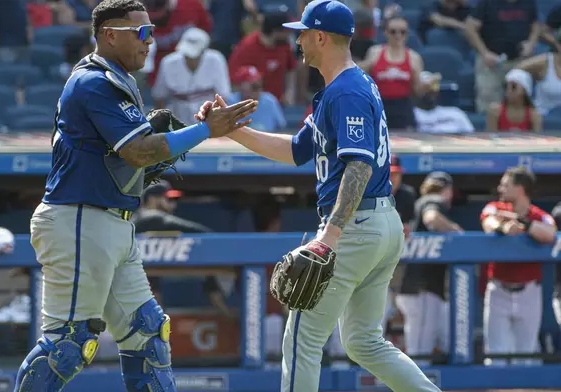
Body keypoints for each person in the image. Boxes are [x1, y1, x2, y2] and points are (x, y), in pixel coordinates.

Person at [12, 0, 257, 391]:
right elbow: (139, 151)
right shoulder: (94, 81)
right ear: (109, 35)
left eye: (152, 32)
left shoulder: (119, 80)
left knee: (148, 335)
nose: (150, 42)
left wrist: (185, 135)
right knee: (67, 345)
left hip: (109, 223)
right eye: (141, 33)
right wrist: (205, 131)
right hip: (79, 220)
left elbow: (132, 161)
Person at [197, 1, 441, 390]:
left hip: (356, 225)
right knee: (363, 342)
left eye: (304, 32)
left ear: (322, 37)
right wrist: (233, 131)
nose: (298, 39)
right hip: (378, 223)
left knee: (301, 340)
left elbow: (359, 167)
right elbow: (296, 149)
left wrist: (331, 234)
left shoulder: (346, 90)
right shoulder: (341, 87)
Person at [480, 167, 557, 366]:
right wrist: (504, 227)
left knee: (527, 355)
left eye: (506, 185)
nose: (500, 188)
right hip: (498, 289)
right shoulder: (495, 207)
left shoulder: (538, 215)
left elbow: (549, 233)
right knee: (495, 355)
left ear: (520, 189)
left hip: (529, 291)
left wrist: (523, 223)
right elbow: (488, 222)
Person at [396, 171, 462, 365]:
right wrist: (458, 232)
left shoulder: (421, 201)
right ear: (447, 190)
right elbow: (432, 218)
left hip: (422, 288)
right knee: (419, 354)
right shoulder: (434, 200)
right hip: (421, 289)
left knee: (446, 339)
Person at [360, 15, 440, 131]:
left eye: (402, 32)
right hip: (379, 107)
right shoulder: (375, 53)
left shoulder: (414, 58)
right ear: (385, 33)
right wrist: (366, 65)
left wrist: (428, 85)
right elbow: (363, 80)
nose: (398, 36)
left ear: (407, 34)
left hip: (403, 109)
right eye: (393, 32)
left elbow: (417, 92)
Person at [152, 27, 231, 126]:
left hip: (208, 121)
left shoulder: (216, 60)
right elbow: (159, 98)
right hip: (177, 121)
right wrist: (163, 126)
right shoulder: (168, 62)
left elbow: (223, 97)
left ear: (203, 51)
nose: (190, 58)